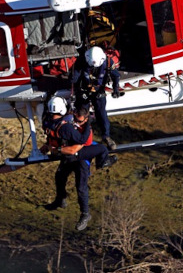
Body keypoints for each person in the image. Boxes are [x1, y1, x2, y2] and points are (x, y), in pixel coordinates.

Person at [43, 97, 117, 231]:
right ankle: (61, 200)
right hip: (71, 155)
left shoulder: (54, 123)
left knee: (80, 186)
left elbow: (75, 142)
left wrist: (53, 148)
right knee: (60, 178)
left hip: (77, 157)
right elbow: (78, 140)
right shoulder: (65, 125)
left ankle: (85, 213)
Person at [72, 46, 117, 150]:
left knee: (101, 113)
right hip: (84, 90)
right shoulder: (81, 61)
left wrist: (116, 89)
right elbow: (74, 78)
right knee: (82, 113)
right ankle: (81, 138)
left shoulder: (108, 62)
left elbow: (116, 75)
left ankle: (106, 136)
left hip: (99, 90)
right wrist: (77, 90)